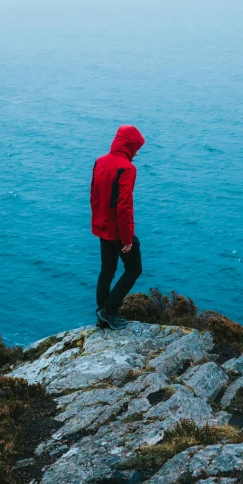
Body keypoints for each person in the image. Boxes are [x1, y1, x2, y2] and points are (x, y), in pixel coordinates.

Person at [90, 124, 145, 330]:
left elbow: (94, 195)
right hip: (118, 230)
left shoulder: (99, 162)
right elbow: (124, 206)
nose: (137, 152)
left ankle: (101, 315)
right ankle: (109, 310)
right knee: (134, 270)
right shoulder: (127, 168)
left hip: (102, 226)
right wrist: (127, 237)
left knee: (107, 269)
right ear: (129, 145)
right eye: (136, 147)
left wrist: (98, 223)